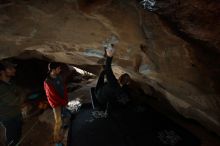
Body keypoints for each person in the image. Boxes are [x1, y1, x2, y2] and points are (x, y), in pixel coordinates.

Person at [95, 45, 131, 111]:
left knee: (103, 75)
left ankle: (103, 70)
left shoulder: (113, 82)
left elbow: (108, 69)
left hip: (99, 96)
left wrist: (109, 56)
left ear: (119, 78)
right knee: (107, 82)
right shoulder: (124, 89)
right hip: (109, 100)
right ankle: (103, 69)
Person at [44, 62, 68, 143]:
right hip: (56, 103)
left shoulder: (59, 77)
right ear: (53, 70)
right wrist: (63, 101)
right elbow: (52, 96)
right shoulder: (48, 82)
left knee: (64, 115)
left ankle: (63, 127)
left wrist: (65, 98)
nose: (60, 70)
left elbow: (63, 88)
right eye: (58, 68)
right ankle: (56, 138)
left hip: (62, 101)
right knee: (58, 121)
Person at [0, 61, 22, 146]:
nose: (14, 70)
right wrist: (19, 96)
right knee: (11, 140)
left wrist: (19, 96)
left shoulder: (10, 83)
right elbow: (15, 101)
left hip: (16, 115)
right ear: (2, 72)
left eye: (13, 68)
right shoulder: (1, 87)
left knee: (17, 137)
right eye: (10, 68)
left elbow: (22, 91)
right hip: (8, 119)